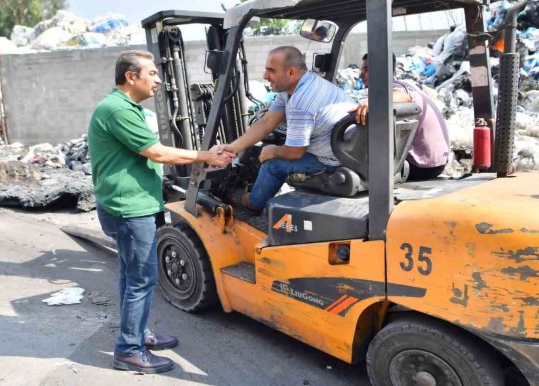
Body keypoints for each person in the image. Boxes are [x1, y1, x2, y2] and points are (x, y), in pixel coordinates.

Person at [88, 50, 235, 374]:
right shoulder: (117, 110)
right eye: (152, 73)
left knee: (131, 276)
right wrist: (205, 156)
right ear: (131, 76)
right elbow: (157, 153)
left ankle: (137, 334)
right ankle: (128, 350)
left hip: (131, 205)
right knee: (141, 279)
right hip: (130, 209)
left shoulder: (124, 108)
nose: (158, 79)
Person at [214, 46, 354, 211]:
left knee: (272, 164)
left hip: (333, 162)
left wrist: (273, 151)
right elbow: (267, 122)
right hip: (346, 152)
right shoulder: (299, 85)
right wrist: (232, 148)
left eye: (271, 71)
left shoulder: (301, 101)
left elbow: (295, 152)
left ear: (291, 72)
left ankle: (252, 203)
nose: (265, 76)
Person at [357, 53, 450, 180]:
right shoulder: (405, 85)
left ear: (381, 69)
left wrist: (370, 102)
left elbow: (403, 96)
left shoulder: (397, 88)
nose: (361, 75)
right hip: (435, 163)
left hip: (420, 166)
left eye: (366, 70)